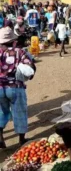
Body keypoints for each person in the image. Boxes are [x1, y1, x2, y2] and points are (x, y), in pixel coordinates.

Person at [0, 20, 36, 148]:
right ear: (12, 40)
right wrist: (30, 75)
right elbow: (30, 66)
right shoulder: (19, 52)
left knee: (3, 112)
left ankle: (0, 137)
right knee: (19, 112)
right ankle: (21, 139)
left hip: (0, 88)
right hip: (15, 87)